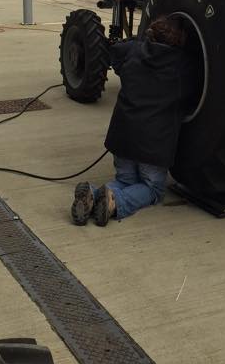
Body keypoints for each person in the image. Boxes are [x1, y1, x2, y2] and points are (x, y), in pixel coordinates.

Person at [71, 15, 196, 227]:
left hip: (122, 136)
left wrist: (140, 42)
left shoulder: (133, 51)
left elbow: (115, 52)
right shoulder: (182, 66)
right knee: (153, 189)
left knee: (125, 180)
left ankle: (92, 194)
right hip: (152, 145)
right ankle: (116, 203)